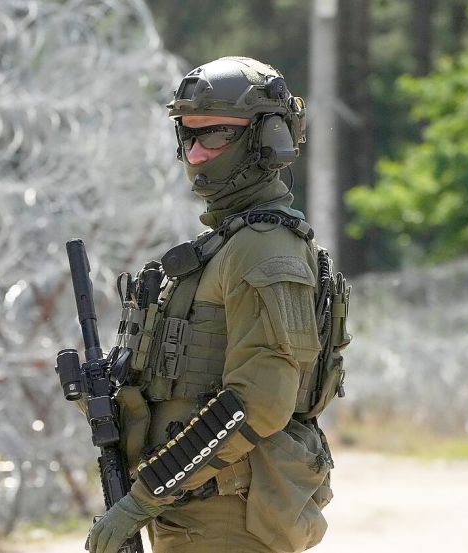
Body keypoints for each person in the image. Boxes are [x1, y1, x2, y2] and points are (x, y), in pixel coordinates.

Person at [86, 56, 349, 553]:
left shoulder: (265, 247)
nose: (196, 154)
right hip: (195, 511)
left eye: (214, 136)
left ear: (266, 139)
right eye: (187, 135)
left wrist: (145, 497)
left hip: (230, 518)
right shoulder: (225, 246)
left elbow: (259, 404)